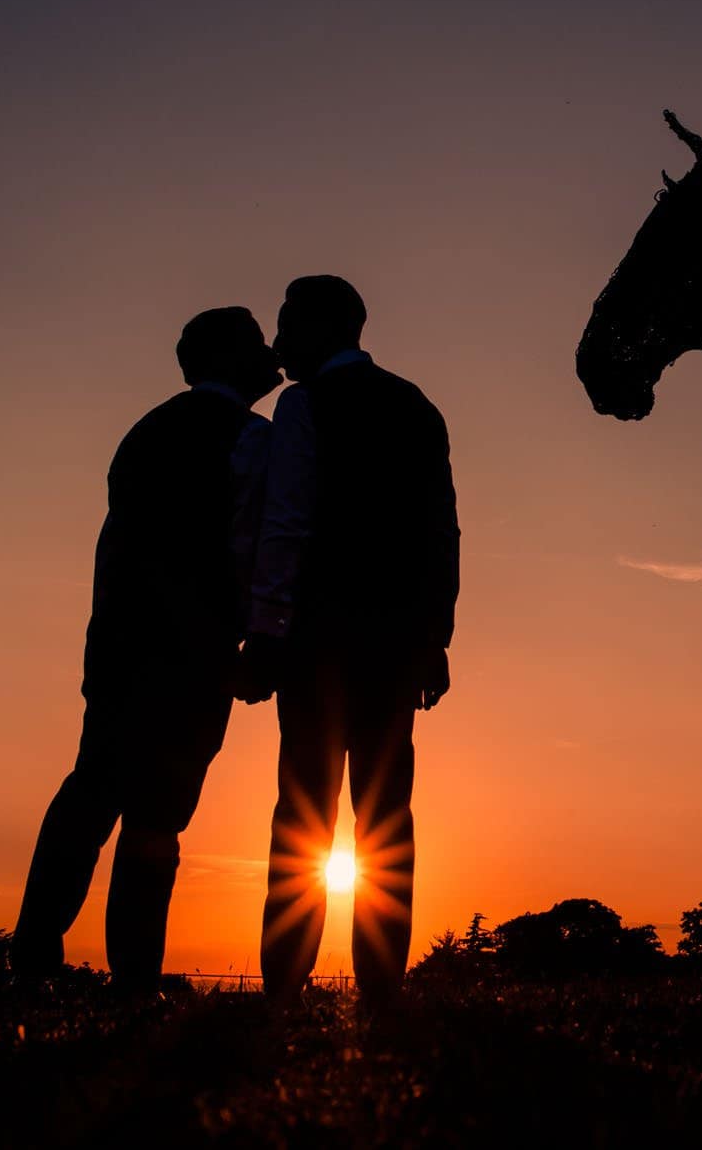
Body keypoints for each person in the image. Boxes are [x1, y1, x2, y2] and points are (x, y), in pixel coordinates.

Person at [12, 307, 281, 991]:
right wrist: (252, 640)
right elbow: (251, 547)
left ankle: (35, 953)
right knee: (158, 812)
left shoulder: (145, 432)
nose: (270, 354)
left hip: (119, 643)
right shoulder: (252, 441)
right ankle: (133, 974)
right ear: (231, 359)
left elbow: (119, 542)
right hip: (196, 652)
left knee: (92, 788)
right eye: (257, 346)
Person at [247, 274, 459, 1006]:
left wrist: (267, 632)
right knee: (386, 810)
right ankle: (380, 981)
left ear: (321, 327)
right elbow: (441, 532)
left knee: (304, 807)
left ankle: (284, 976)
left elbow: (288, 522)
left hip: (317, 641)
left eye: (285, 325)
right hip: (396, 642)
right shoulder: (418, 408)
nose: (275, 344)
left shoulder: (302, 406)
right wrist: (435, 637)